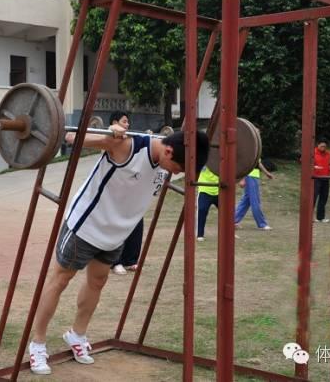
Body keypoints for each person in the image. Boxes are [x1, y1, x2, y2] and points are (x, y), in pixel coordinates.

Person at [27, 115, 209, 375]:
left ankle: (76, 335)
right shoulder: (126, 146)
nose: (177, 173)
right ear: (169, 151)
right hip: (85, 226)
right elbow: (71, 138)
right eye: (178, 168)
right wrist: (107, 135)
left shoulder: (167, 156)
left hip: (116, 234)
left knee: (97, 281)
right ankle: (37, 344)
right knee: (60, 280)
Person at [107, 111, 143, 275]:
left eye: (128, 122)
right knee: (117, 228)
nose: (127, 124)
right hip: (115, 190)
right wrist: (113, 128)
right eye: (124, 121)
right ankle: (116, 262)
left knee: (136, 223)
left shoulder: (130, 139)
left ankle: (131, 260)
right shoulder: (108, 138)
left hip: (131, 188)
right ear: (115, 122)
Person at [234, 161, 274, 230]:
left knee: (246, 201)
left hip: (252, 176)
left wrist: (267, 173)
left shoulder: (255, 150)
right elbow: (244, 163)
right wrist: (242, 179)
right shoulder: (249, 150)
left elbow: (258, 162)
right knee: (255, 201)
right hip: (251, 176)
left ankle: (233, 221)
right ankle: (262, 224)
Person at [313, 139, 330, 223]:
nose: (323, 148)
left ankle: (320, 217)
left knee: (323, 198)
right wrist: (314, 167)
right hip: (315, 178)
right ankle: (309, 217)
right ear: (317, 146)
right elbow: (303, 161)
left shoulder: (328, 154)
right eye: (321, 146)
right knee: (313, 197)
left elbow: (328, 164)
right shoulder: (312, 152)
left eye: (325, 146)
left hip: (326, 178)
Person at [196, 166, 219, 242]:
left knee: (227, 212)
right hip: (204, 189)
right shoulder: (203, 157)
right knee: (202, 210)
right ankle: (200, 235)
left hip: (219, 189)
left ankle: (230, 232)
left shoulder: (220, 158)